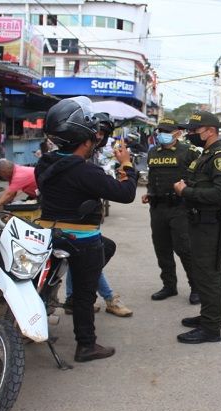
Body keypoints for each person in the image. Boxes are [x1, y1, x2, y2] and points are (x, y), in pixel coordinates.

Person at [35, 96, 136, 362]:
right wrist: (127, 164)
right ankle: (86, 345)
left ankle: (38, 318)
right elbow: (126, 194)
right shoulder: (86, 172)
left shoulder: (44, 163)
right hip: (81, 240)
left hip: (48, 235)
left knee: (106, 248)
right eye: (93, 138)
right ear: (86, 141)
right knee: (84, 293)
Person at [173, 110, 221, 344]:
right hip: (199, 222)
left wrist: (186, 191)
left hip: (211, 225)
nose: (190, 135)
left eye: (194, 131)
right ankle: (207, 316)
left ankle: (212, 328)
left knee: (210, 275)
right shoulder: (207, 155)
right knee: (202, 274)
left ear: (210, 131)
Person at [62, 111, 133, 319]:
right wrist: (126, 167)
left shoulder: (94, 153)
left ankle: (72, 298)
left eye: (102, 133)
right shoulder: (76, 153)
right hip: (73, 220)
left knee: (85, 261)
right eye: (96, 132)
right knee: (91, 258)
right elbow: (126, 193)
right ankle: (107, 299)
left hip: (84, 217)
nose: (98, 136)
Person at [144, 117, 199, 304]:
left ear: (177, 133)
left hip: (180, 207)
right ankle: (169, 286)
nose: (162, 135)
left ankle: (196, 287)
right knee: (162, 248)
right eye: (160, 131)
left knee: (184, 248)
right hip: (157, 207)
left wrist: (189, 190)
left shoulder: (189, 152)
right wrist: (149, 192)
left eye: (167, 132)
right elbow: (153, 176)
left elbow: (199, 176)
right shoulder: (153, 152)